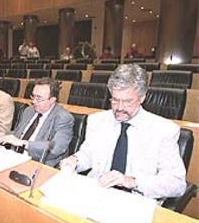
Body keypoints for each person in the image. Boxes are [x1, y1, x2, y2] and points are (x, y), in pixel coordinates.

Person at [61, 64, 186, 201]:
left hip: (136, 201)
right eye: (114, 100)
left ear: (142, 98)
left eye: (127, 101)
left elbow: (177, 184)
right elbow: (88, 155)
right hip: (96, 193)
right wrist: (74, 161)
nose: (119, 108)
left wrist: (132, 181)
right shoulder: (97, 121)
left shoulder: (164, 130)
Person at [0, 78, 74, 167]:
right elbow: (18, 134)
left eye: (39, 98)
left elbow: (55, 148)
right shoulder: (29, 110)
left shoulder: (63, 118)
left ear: (52, 100)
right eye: (33, 96)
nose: (34, 101)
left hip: (39, 164)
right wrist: (4, 134)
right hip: (15, 157)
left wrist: (24, 143)